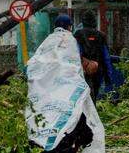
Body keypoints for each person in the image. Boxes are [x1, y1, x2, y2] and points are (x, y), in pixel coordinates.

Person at [25, 15, 105, 153]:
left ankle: (48, 139)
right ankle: (73, 140)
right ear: (70, 27)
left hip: (49, 88)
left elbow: (36, 62)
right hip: (70, 86)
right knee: (76, 112)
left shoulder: (47, 42)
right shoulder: (72, 40)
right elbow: (77, 60)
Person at [72, 12, 108, 100]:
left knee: (83, 96)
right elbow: (106, 58)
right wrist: (108, 76)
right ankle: (92, 111)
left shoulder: (78, 35)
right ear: (94, 22)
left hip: (82, 71)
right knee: (94, 95)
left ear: (83, 22)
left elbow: (75, 53)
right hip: (98, 71)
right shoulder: (101, 36)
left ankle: (84, 112)